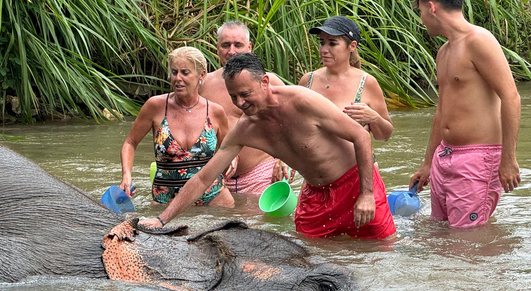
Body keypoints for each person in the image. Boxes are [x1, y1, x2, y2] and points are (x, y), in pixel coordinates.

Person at [140, 53, 396, 239]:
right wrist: (161, 219)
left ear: (264, 82)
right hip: (315, 195)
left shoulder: (302, 101)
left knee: (379, 253)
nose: (240, 103)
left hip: (355, 183)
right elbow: (203, 178)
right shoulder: (246, 128)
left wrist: (366, 194)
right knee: (311, 260)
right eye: (234, 97)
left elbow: (361, 137)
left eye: (245, 94)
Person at [410, 0, 521, 227]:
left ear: (431, 7)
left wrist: (509, 159)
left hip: (477, 159)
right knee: (440, 238)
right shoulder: (444, 51)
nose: (421, 19)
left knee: (467, 244)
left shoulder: (479, 40)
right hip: (445, 156)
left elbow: (511, 97)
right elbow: (441, 111)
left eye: (420, 12)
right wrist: (428, 162)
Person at [119, 46, 235, 207]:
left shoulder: (215, 112)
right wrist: (126, 175)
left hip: (213, 198)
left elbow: (229, 150)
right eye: (174, 72)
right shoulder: (155, 106)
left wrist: (231, 162)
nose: (177, 78)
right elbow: (130, 143)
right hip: (166, 199)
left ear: (201, 75)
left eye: (185, 73)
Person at [199, 20, 288, 195]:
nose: (231, 51)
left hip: (261, 174)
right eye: (226, 45)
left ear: (249, 47)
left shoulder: (269, 82)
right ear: (217, 48)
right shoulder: (203, 85)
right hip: (217, 176)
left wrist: (284, 160)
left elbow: (293, 124)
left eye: (237, 45)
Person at [300, 16, 393, 148]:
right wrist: (283, 159)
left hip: (353, 165)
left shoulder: (366, 82)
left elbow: (384, 136)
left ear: (352, 46)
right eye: (322, 42)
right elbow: (292, 127)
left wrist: (374, 118)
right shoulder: (308, 80)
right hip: (309, 165)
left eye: (332, 43)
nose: (324, 50)